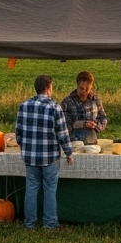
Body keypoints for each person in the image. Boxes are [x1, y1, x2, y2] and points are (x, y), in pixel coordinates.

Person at [14, 74, 74, 229]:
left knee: (31, 188)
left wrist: (24, 146)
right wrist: (68, 152)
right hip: (50, 157)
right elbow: (62, 133)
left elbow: (18, 132)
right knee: (49, 189)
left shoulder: (24, 106)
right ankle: (50, 223)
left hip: (30, 157)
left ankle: (30, 223)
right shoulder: (55, 108)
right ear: (49, 88)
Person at [61, 70, 107, 145]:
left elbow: (103, 117)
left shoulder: (95, 99)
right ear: (77, 85)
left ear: (91, 86)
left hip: (92, 142)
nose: (84, 91)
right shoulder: (67, 102)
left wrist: (97, 126)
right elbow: (65, 124)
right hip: (73, 142)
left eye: (87, 89)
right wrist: (83, 124)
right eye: (82, 88)